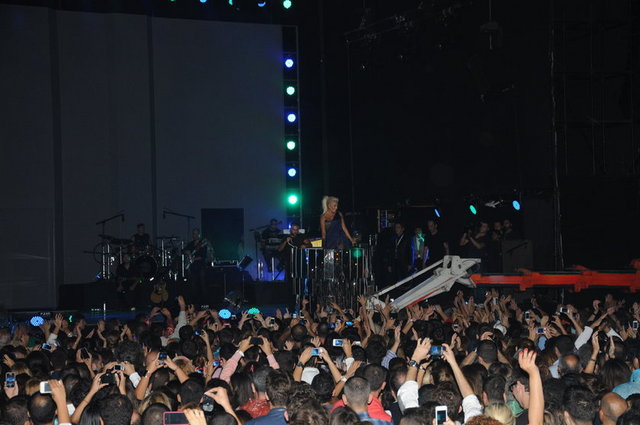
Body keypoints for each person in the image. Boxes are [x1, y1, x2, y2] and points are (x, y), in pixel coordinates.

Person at [184, 228, 211, 299]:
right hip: (192, 267)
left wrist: (194, 259)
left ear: (199, 234)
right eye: (193, 234)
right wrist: (188, 252)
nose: (195, 235)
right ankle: (195, 300)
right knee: (193, 283)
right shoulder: (190, 244)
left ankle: (205, 300)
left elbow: (203, 256)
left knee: (203, 283)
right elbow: (184, 250)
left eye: (196, 234)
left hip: (201, 266)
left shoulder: (203, 243)